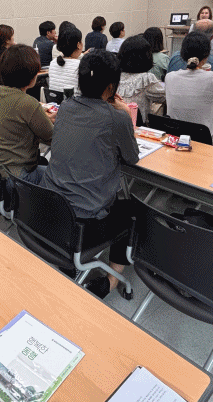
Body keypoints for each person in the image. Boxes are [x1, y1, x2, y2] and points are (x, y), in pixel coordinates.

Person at [42, 50, 141, 299]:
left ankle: (71, 260)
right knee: (132, 211)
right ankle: (112, 280)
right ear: (111, 87)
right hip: (86, 220)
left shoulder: (65, 106)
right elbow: (131, 158)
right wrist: (123, 110)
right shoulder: (116, 117)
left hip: (51, 208)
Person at [0, 45, 56, 184]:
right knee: (63, 181)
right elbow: (52, 138)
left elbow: (15, 119)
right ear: (32, 75)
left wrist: (43, 119)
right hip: (17, 177)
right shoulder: (28, 103)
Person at [165, 32, 213, 146]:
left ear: (182, 54)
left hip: (176, 142)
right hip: (206, 144)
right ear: (207, 56)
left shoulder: (169, 77)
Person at [117, 35, 165, 121]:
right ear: (146, 57)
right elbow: (165, 97)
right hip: (137, 126)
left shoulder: (115, 76)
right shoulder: (146, 79)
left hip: (115, 124)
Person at [47, 25, 83, 99]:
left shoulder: (53, 63)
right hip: (75, 104)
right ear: (78, 45)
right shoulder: (81, 65)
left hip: (55, 103)